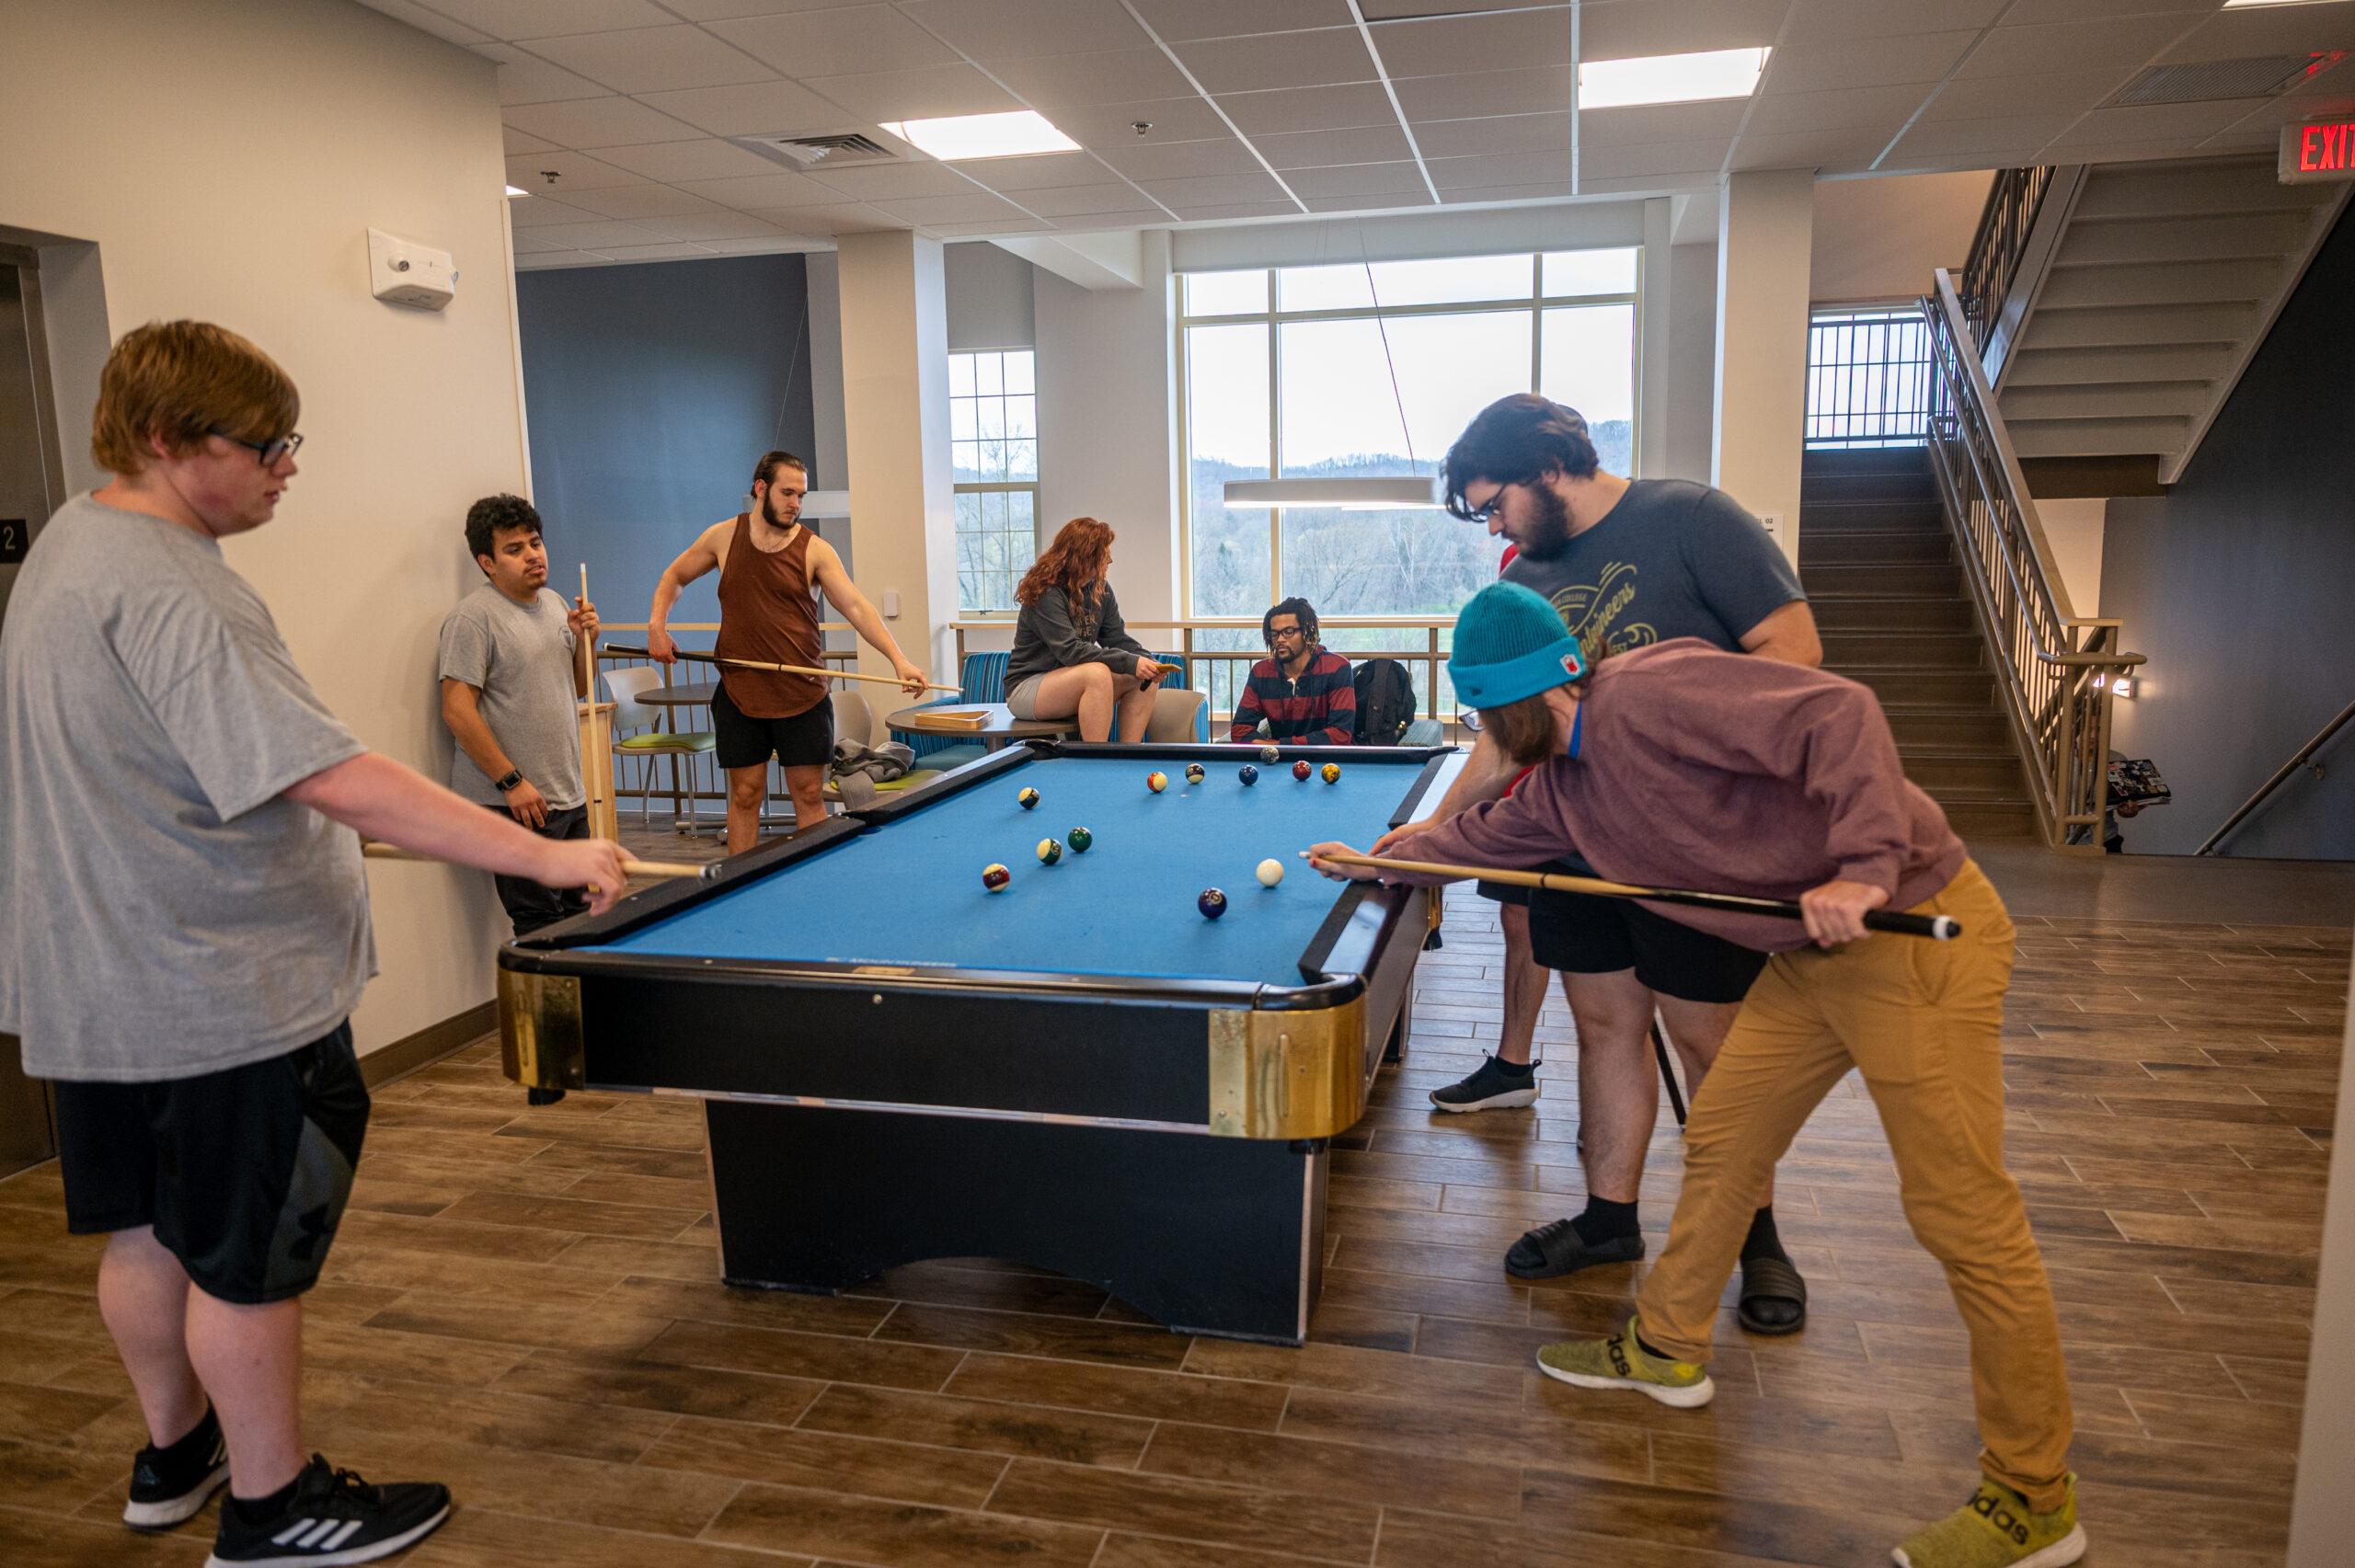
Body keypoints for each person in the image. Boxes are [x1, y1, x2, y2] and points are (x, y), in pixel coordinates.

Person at [0, 320, 629, 1565]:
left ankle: (176, 1454)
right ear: (169, 440)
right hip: (218, 994)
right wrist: (551, 855)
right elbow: (333, 775)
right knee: (249, 1263)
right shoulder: (175, 587)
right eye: (267, 445)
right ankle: (274, 1508)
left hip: (104, 984)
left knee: (146, 1231)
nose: (289, 466)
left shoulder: (71, 541)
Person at [1310, 583, 2083, 1568]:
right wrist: (1385, 862)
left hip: (1912, 936)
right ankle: (1668, 1345)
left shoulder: (1652, 690)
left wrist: (1863, 866)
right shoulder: (1562, 791)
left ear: (1524, 695)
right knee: (1721, 1139)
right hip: (1808, 957)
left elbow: (1839, 713)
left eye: (1487, 713)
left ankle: (2032, 1495)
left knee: (1961, 1212)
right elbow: (1481, 839)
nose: (1486, 734)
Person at [1421, 394, 1822, 1333]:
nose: (1493, 528)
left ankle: (1755, 1233)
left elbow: (1795, 657)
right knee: (1605, 1029)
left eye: (1495, 504)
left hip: (1692, 851)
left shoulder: (1693, 519)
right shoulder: (1530, 571)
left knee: (1709, 1046)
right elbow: (1510, 735)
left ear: (1546, 466)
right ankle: (1609, 1219)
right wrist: (1429, 834)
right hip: (1573, 843)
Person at [646, 451, 926, 856]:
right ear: (761, 488)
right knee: (745, 795)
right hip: (740, 693)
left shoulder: (816, 550)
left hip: (803, 694)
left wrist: (899, 660)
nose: (796, 503)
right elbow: (674, 575)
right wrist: (657, 625)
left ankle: (815, 883)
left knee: (809, 795)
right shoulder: (723, 537)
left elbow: (857, 607)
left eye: (801, 495)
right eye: (787, 493)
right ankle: (739, 884)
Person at [439, 493, 600, 936]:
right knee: (539, 924)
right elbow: (456, 709)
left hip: (565, 792)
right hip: (516, 802)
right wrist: (511, 782)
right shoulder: (473, 619)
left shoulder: (554, 604)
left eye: (535, 543)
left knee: (579, 916)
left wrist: (586, 642)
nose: (533, 555)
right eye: (514, 549)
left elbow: (577, 687)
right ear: (487, 563)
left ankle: (580, 986)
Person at [1005, 516, 1170, 742]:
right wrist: (1130, 662)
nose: (1110, 560)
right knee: (1096, 673)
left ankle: (1129, 753)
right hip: (1028, 687)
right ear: (1085, 556)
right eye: (1104, 553)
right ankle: (1095, 757)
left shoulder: (1100, 588)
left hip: (1072, 679)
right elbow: (1071, 651)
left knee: (1144, 678)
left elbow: (1117, 637)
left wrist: (1147, 661)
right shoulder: (1047, 592)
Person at [1228, 597, 1355, 745]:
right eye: (1274, 634)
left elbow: (1341, 734)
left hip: (1325, 758)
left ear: (1307, 632)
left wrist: (1278, 745)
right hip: (1278, 758)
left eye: (1288, 632)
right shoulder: (1261, 672)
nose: (1280, 640)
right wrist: (1274, 748)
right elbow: (1240, 729)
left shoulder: (1337, 667)